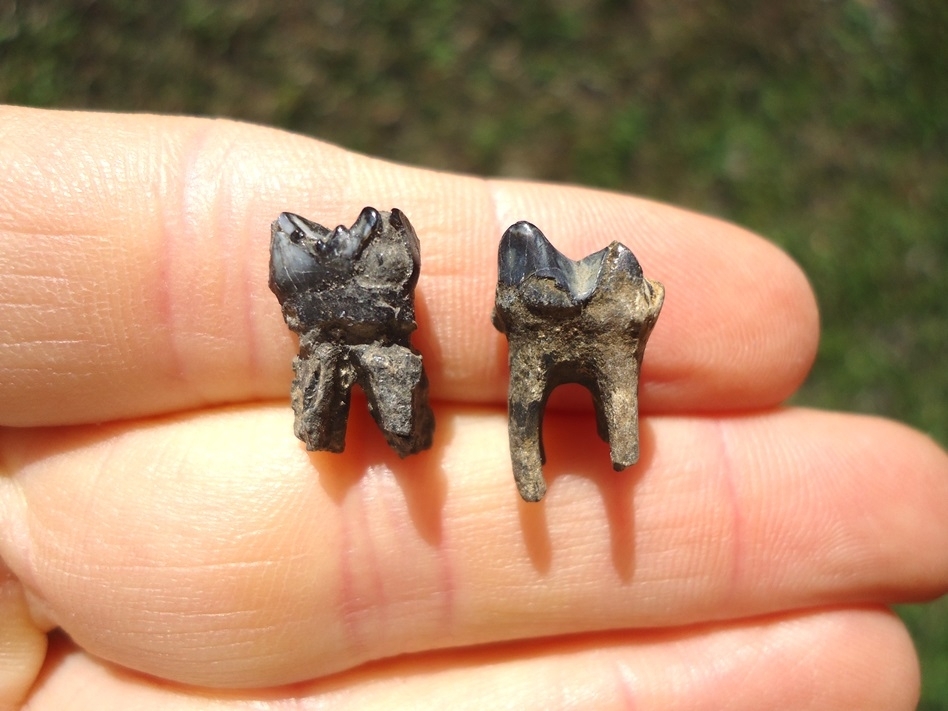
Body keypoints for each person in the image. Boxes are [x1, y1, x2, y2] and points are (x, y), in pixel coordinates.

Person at [1, 105, 946, 710]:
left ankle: (567, 438)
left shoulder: (547, 308)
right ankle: (502, 438)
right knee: (388, 383)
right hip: (409, 334)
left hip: (526, 329)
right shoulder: (402, 313)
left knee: (457, 387)